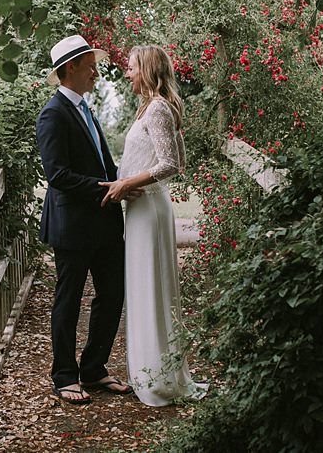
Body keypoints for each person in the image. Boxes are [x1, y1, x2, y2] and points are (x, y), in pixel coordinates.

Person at [100, 45, 208, 407]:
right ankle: (155, 371)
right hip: (143, 207)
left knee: (150, 285)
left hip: (148, 206)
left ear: (146, 70)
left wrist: (126, 184)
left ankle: (158, 379)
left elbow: (171, 164)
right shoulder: (148, 107)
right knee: (144, 285)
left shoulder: (159, 107)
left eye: (131, 67)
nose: (126, 73)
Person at [35, 34, 137, 405]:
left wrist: (124, 181)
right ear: (71, 68)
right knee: (69, 299)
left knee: (112, 295)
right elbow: (57, 174)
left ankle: (94, 369)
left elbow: (100, 162)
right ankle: (64, 375)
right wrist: (107, 188)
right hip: (73, 227)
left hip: (105, 224)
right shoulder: (53, 113)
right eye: (90, 64)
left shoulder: (87, 110)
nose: (96, 70)